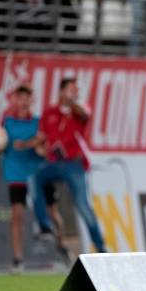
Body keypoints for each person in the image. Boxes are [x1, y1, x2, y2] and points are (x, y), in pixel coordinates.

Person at [0, 85, 65, 272]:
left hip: (38, 175)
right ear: (14, 100)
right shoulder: (6, 124)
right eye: (19, 97)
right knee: (17, 216)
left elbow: (44, 149)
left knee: (53, 213)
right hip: (16, 176)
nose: (23, 101)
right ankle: (17, 259)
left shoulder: (39, 123)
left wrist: (35, 147)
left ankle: (61, 249)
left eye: (26, 97)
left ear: (32, 100)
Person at [31, 78, 107, 254]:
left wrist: (73, 102)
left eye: (76, 90)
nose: (75, 93)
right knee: (35, 177)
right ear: (61, 91)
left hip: (74, 165)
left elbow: (84, 114)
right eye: (71, 89)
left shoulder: (80, 108)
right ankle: (44, 225)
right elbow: (41, 139)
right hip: (54, 163)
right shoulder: (49, 112)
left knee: (82, 205)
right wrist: (35, 147)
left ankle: (101, 247)